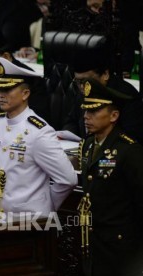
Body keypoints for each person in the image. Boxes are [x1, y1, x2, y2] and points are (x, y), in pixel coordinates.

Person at [0, 57, 77, 216]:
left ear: (25, 94)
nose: (1, 95)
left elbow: (67, 179)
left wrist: (46, 206)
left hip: (31, 218)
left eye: (7, 90)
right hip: (3, 214)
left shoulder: (38, 131)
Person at [77, 78, 143, 276]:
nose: (87, 117)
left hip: (120, 244)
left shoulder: (129, 150)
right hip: (93, 240)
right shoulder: (88, 145)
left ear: (114, 115)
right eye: (86, 111)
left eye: (94, 111)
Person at [63, 44, 143, 142]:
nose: (82, 87)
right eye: (78, 82)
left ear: (105, 74)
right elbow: (71, 122)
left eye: (86, 81)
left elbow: (131, 138)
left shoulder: (126, 97)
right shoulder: (83, 91)